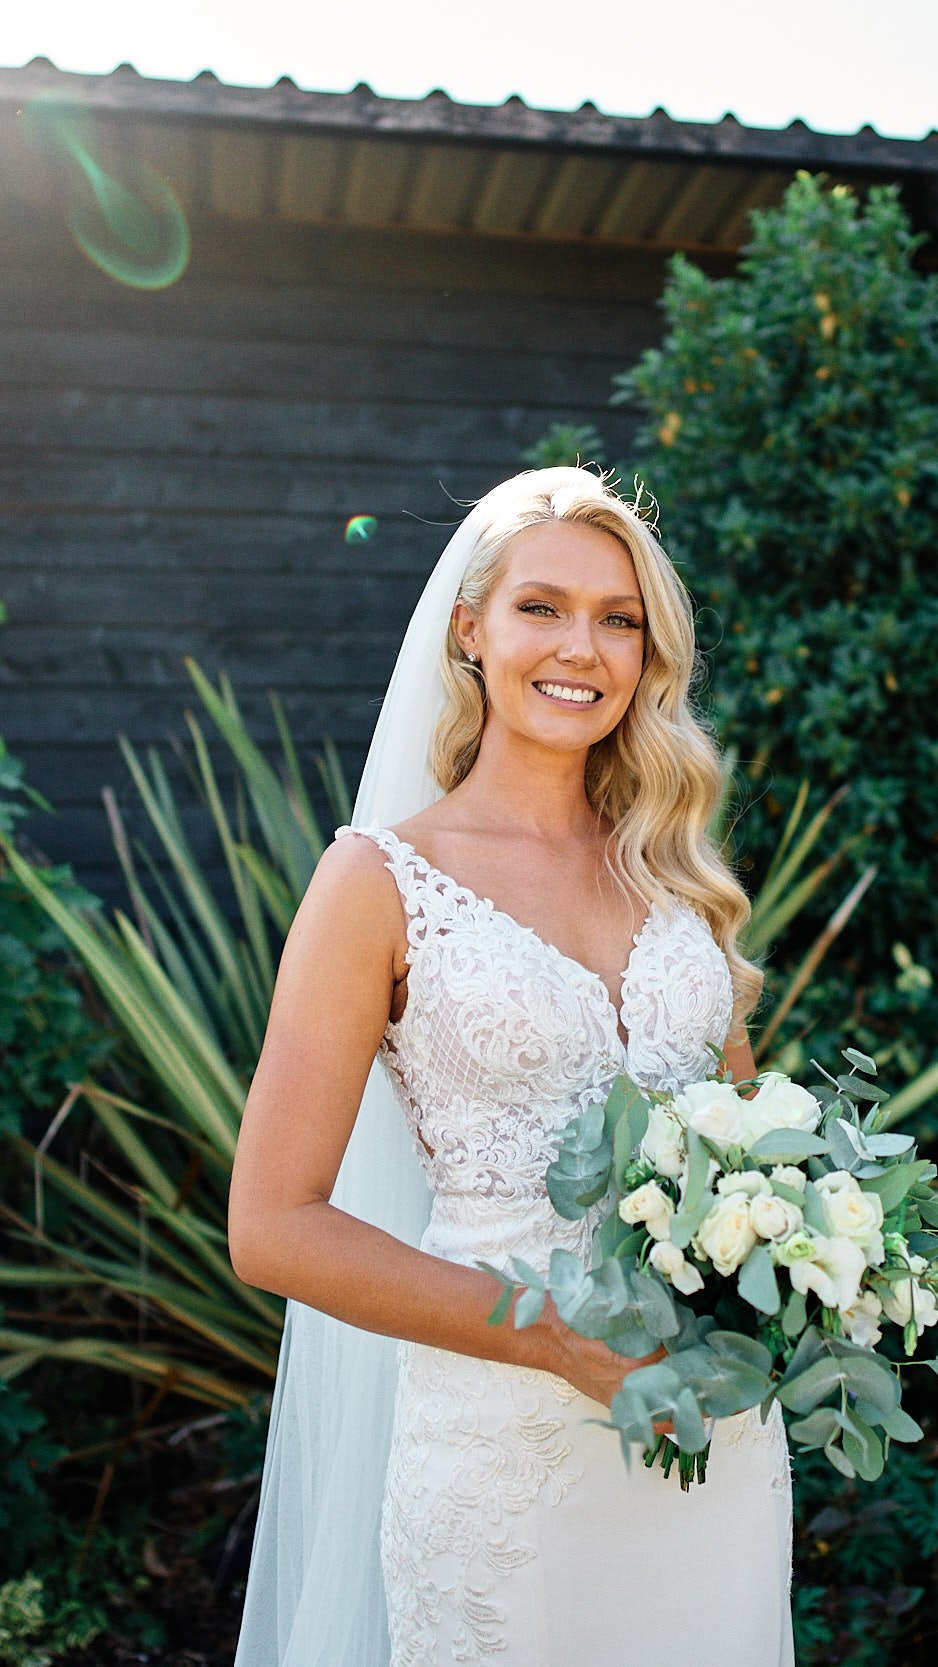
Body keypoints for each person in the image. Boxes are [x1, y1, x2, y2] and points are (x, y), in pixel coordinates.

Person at [228, 466, 794, 1666]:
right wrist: (550, 1335)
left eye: (619, 617)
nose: (580, 645)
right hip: (504, 1453)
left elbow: (753, 1148)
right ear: (469, 630)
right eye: (541, 606)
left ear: (649, 653)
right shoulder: (376, 882)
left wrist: (825, 1268)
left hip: (711, 1435)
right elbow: (271, 1226)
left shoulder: (675, 868)